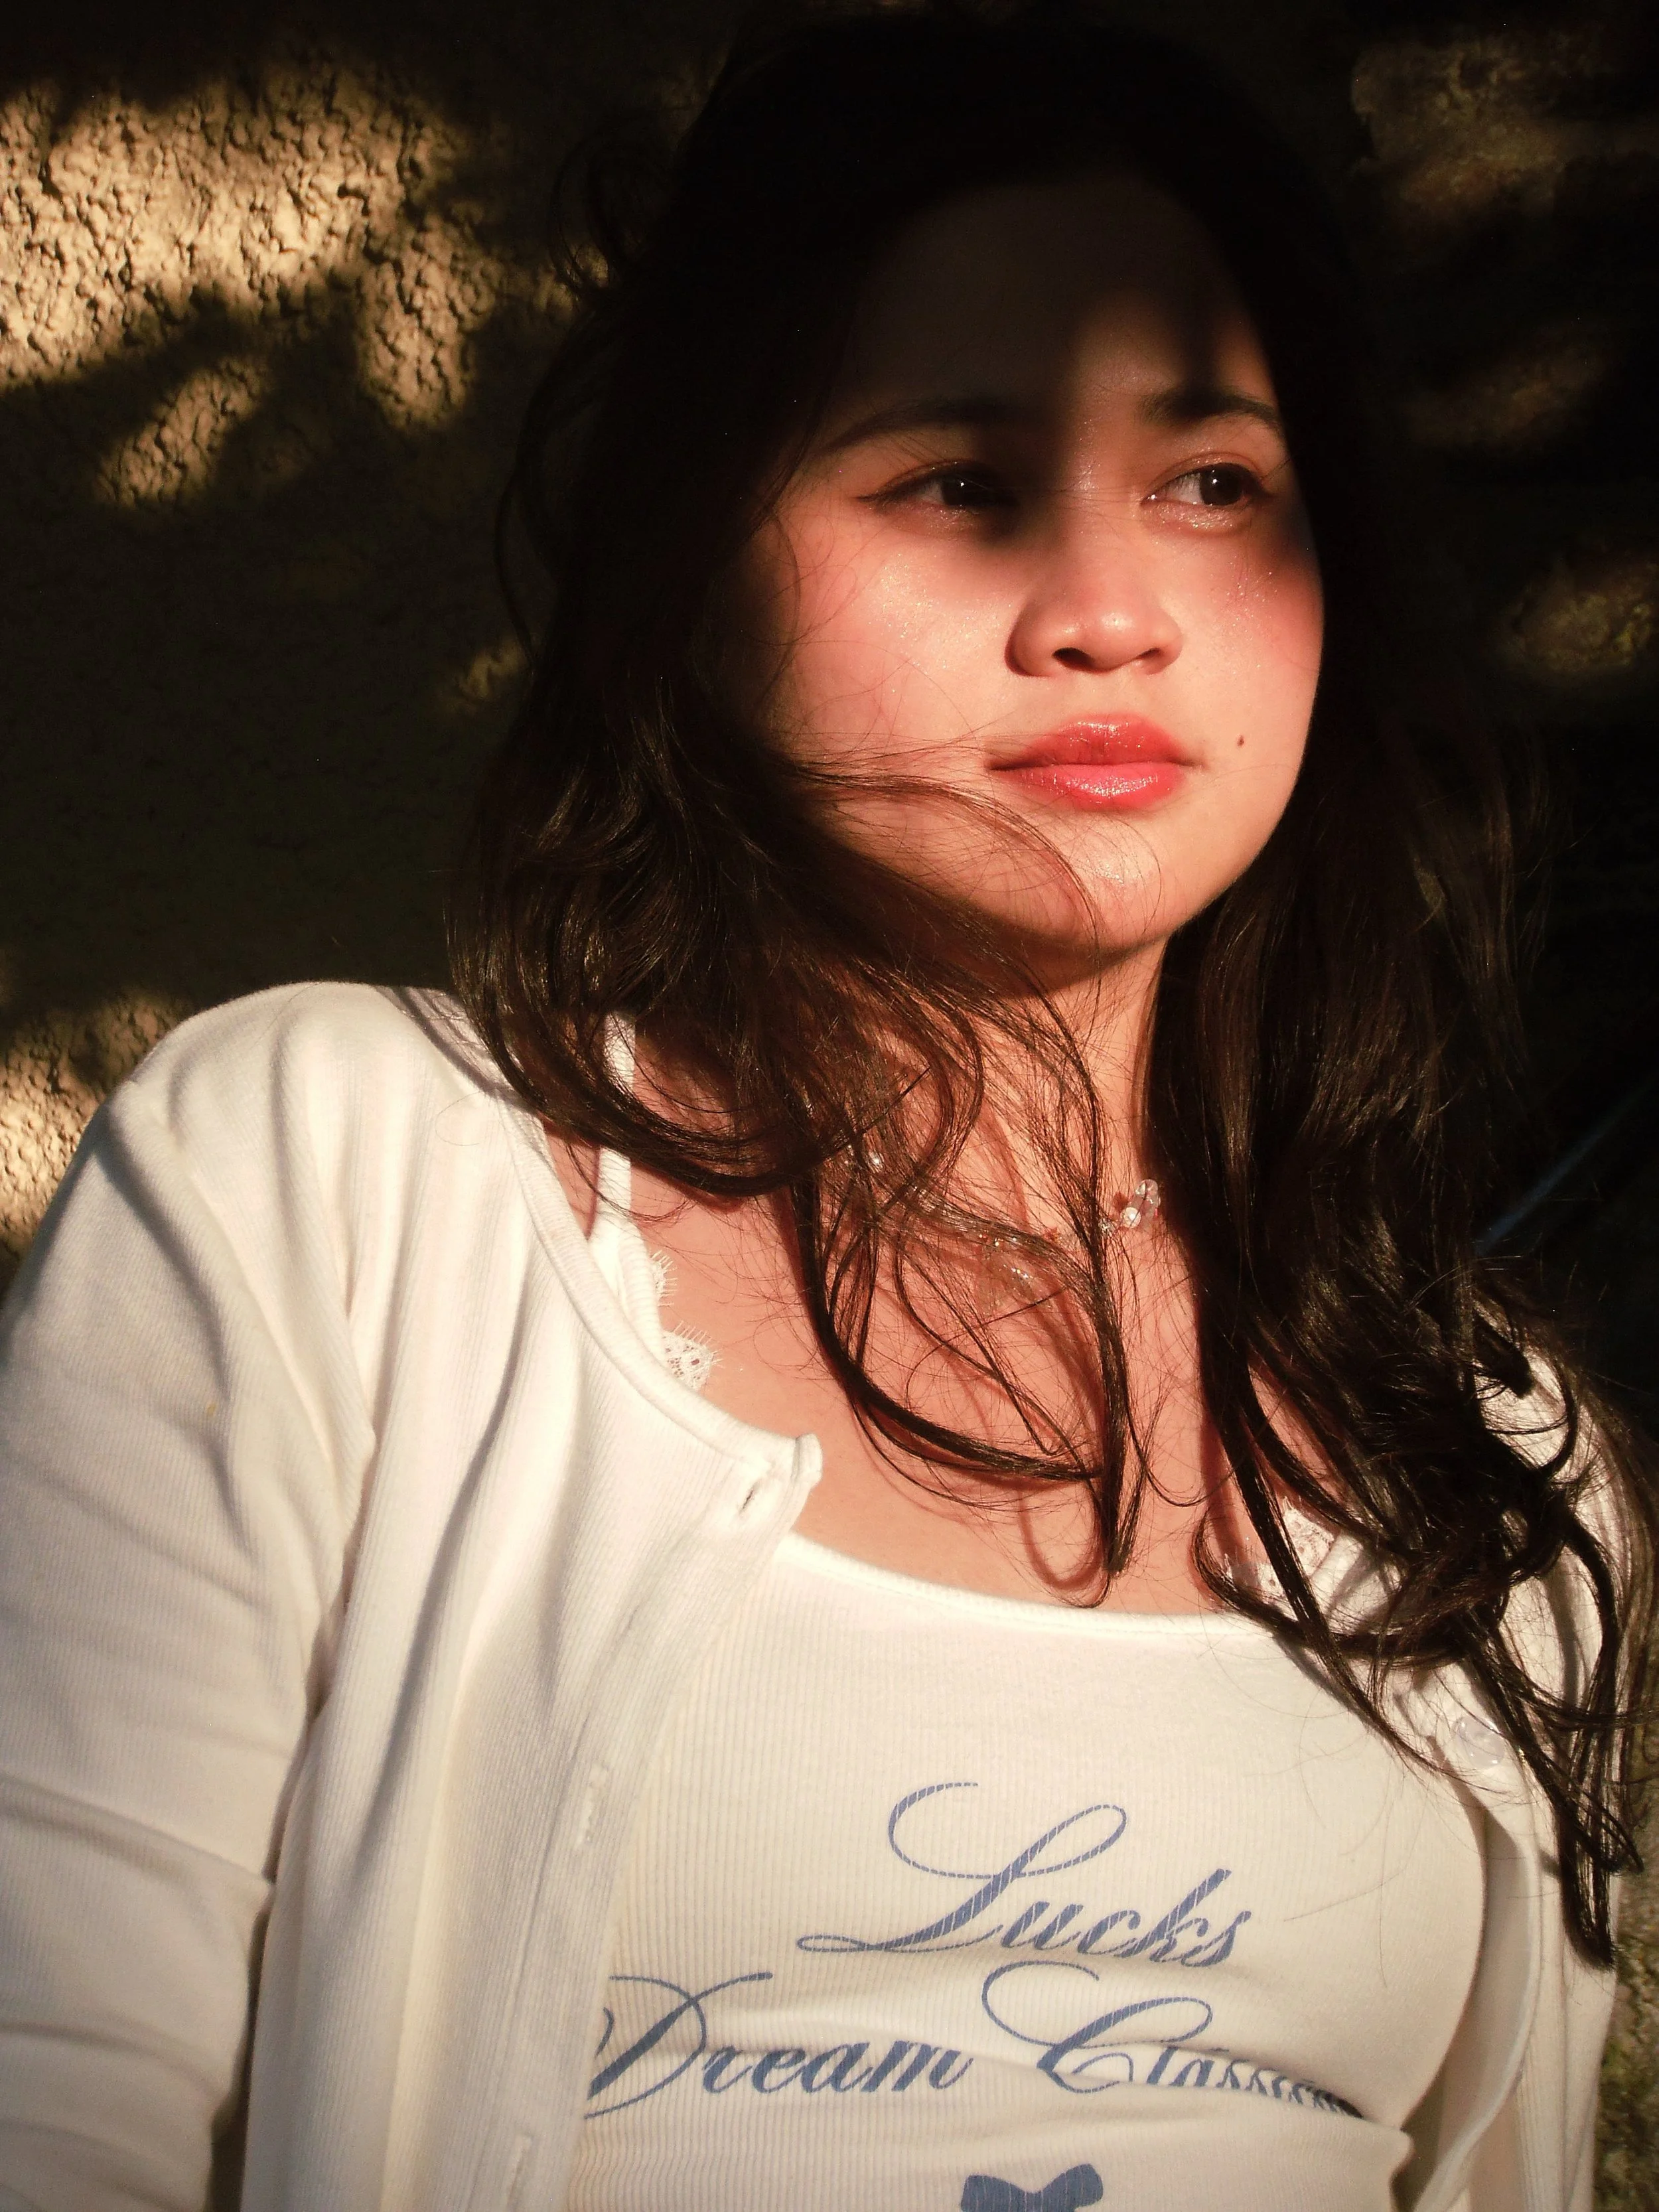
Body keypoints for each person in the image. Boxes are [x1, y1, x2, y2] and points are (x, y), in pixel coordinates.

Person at [0, 5, 1652, 2209]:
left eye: (1210, 484)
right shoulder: (335, 1177)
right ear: (692, 579)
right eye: (953, 481)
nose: (1105, 612)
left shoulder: (1490, 1447)